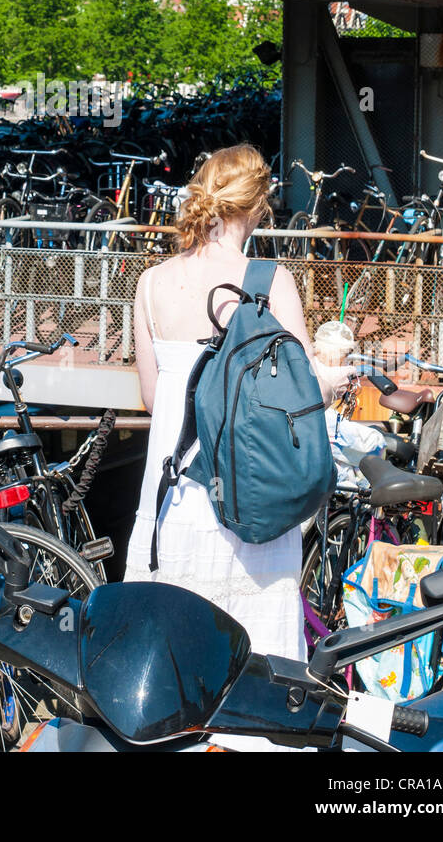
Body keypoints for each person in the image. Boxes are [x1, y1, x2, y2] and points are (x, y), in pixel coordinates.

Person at [124, 144, 354, 691]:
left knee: (175, 669)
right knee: (256, 671)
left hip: (171, 497)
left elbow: (155, 399)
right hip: (249, 495)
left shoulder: (151, 284)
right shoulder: (268, 280)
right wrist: (331, 374)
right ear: (259, 207)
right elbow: (300, 396)